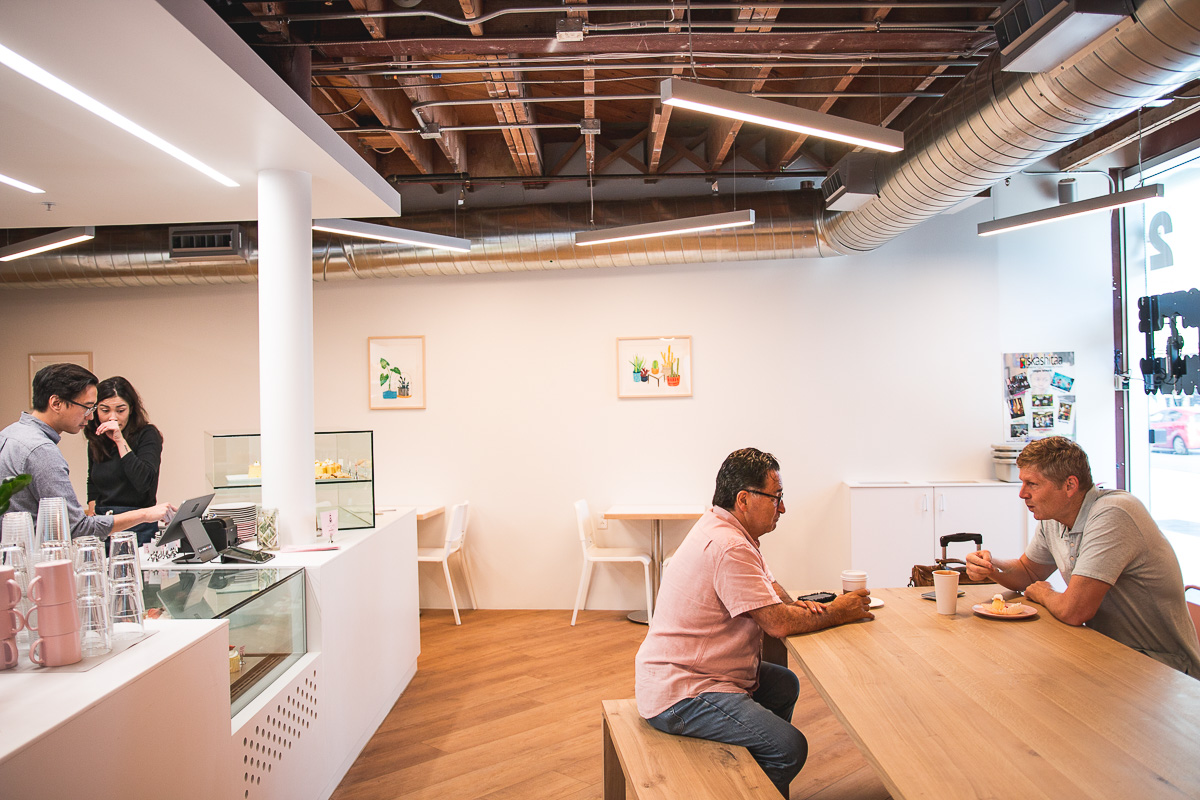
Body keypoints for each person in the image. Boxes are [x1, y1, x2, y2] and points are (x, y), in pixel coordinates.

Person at [635, 447, 874, 797]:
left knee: (783, 685)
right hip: (683, 692)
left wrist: (811, 609)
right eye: (776, 497)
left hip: (691, 672)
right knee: (788, 747)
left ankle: (751, 782)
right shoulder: (729, 546)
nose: (783, 508)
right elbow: (777, 622)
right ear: (744, 499)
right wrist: (840, 611)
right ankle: (745, 787)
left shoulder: (726, 529)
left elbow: (773, 592)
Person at [965, 436, 1200, 678]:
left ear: (1070, 485)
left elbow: (1074, 611)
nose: (1022, 493)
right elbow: (1028, 572)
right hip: (1109, 651)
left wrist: (1045, 593)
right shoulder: (1053, 519)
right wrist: (991, 566)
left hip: (1163, 667)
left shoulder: (1114, 514)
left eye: (1032, 484)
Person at [0, 363, 172, 540]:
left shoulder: (8, 434)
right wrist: (144, 515)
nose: (90, 416)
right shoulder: (41, 450)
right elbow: (76, 527)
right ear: (56, 403)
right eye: (88, 407)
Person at [83, 376, 164, 546]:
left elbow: (143, 482)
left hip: (138, 522)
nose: (113, 418)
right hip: (105, 522)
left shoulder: (147, 434)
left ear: (131, 409)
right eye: (105, 410)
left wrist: (120, 441)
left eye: (120, 410)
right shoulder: (96, 440)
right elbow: (93, 480)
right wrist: (92, 507)